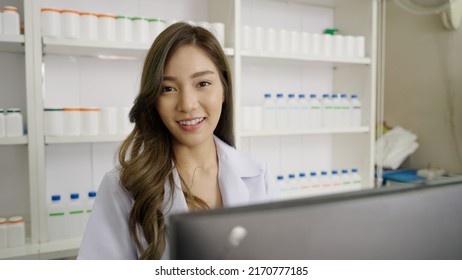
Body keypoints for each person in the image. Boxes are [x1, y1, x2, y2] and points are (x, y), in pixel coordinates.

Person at [77, 22, 277, 260]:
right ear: (153, 99)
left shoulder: (258, 174)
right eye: (168, 88)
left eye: (202, 84)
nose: (187, 104)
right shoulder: (123, 187)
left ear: (224, 90)